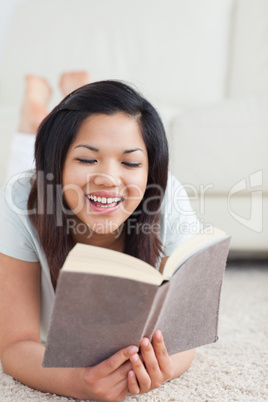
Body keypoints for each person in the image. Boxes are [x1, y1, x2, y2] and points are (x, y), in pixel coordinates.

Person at [0, 78, 200, 401]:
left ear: (151, 171)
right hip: (39, 190)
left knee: (92, 132)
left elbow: (185, 339)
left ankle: (73, 95)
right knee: (23, 162)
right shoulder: (18, 199)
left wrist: (161, 367)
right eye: (87, 159)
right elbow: (14, 346)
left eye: (131, 162)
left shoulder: (168, 198)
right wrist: (76, 382)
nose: (107, 178)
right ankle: (34, 111)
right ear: (57, 166)